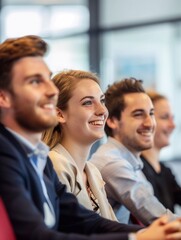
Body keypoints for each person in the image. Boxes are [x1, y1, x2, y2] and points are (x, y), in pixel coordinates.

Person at [1, 36, 181, 240]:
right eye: (35, 81)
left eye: (47, 79)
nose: (51, 90)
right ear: (3, 96)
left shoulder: (40, 159)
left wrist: (146, 234)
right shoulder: (13, 155)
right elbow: (37, 236)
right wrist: (138, 238)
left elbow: (84, 220)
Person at [90, 78, 179, 226]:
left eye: (151, 114)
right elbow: (162, 220)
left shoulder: (131, 162)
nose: (149, 123)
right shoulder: (112, 163)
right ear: (112, 121)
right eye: (138, 114)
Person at [42, 69, 117, 221]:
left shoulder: (92, 172)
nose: (102, 110)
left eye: (102, 101)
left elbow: (112, 227)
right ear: (60, 114)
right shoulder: (54, 164)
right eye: (88, 103)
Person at [141, 90, 181, 212]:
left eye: (172, 118)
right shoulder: (138, 170)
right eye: (165, 117)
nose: (173, 125)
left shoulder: (165, 170)